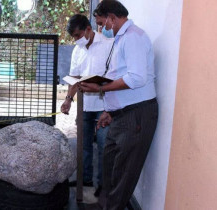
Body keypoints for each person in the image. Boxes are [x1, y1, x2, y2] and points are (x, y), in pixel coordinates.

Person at [79, 1, 158, 209]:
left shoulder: (133, 37)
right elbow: (119, 74)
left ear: (112, 18)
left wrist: (101, 89)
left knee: (123, 176)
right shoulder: (121, 38)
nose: (101, 28)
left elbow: (136, 78)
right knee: (111, 170)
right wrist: (109, 110)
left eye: (102, 23)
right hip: (121, 115)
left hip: (137, 116)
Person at [61, 14, 114, 197]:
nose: (76, 40)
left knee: (103, 143)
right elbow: (74, 78)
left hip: (103, 104)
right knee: (83, 144)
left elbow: (114, 76)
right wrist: (68, 99)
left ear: (88, 29)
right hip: (84, 104)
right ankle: (85, 178)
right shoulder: (78, 50)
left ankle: (102, 184)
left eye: (78, 35)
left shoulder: (108, 45)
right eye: (73, 37)